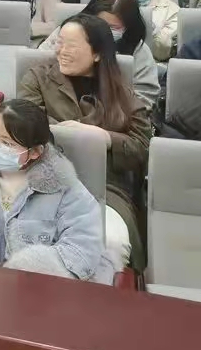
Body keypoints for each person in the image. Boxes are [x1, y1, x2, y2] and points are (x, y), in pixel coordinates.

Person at [18, 15, 152, 270]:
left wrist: (105, 138)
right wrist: (72, 135)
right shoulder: (38, 79)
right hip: (45, 180)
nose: (61, 51)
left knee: (111, 242)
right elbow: (26, 126)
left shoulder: (122, 93)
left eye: (71, 46)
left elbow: (142, 149)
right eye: (59, 43)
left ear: (97, 54)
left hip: (105, 188)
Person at [0, 99, 117, 282]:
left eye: (7, 143)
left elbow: (82, 247)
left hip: (42, 290)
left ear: (35, 152)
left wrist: (22, 273)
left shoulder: (66, 190)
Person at [39, 0, 159, 108]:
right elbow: (40, 63)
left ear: (128, 27)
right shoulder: (65, 34)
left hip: (113, 113)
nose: (104, 31)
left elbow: (145, 96)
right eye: (100, 24)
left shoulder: (138, 50)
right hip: (59, 104)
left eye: (113, 27)